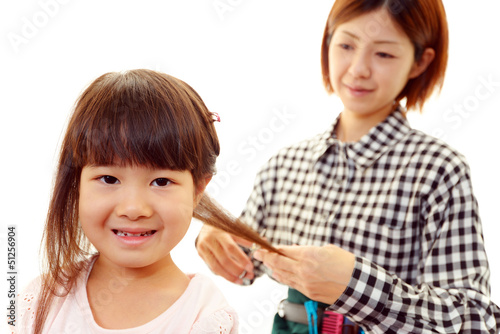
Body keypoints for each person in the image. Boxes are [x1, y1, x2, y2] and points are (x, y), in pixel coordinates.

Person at [195, 0, 500, 333]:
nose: (358, 69)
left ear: (419, 62)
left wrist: (354, 285)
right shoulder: (283, 166)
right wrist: (215, 235)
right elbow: (245, 264)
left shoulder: (438, 169)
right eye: (346, 45)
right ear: (328, 42)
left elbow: (476, 321)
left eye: (383, 54)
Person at [10, 69, 279, 334]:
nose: (133, 209)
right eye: (108, 179)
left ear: (198, 189)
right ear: (76, 183)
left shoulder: (204, 316)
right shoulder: (40, 301)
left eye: (161, 182)